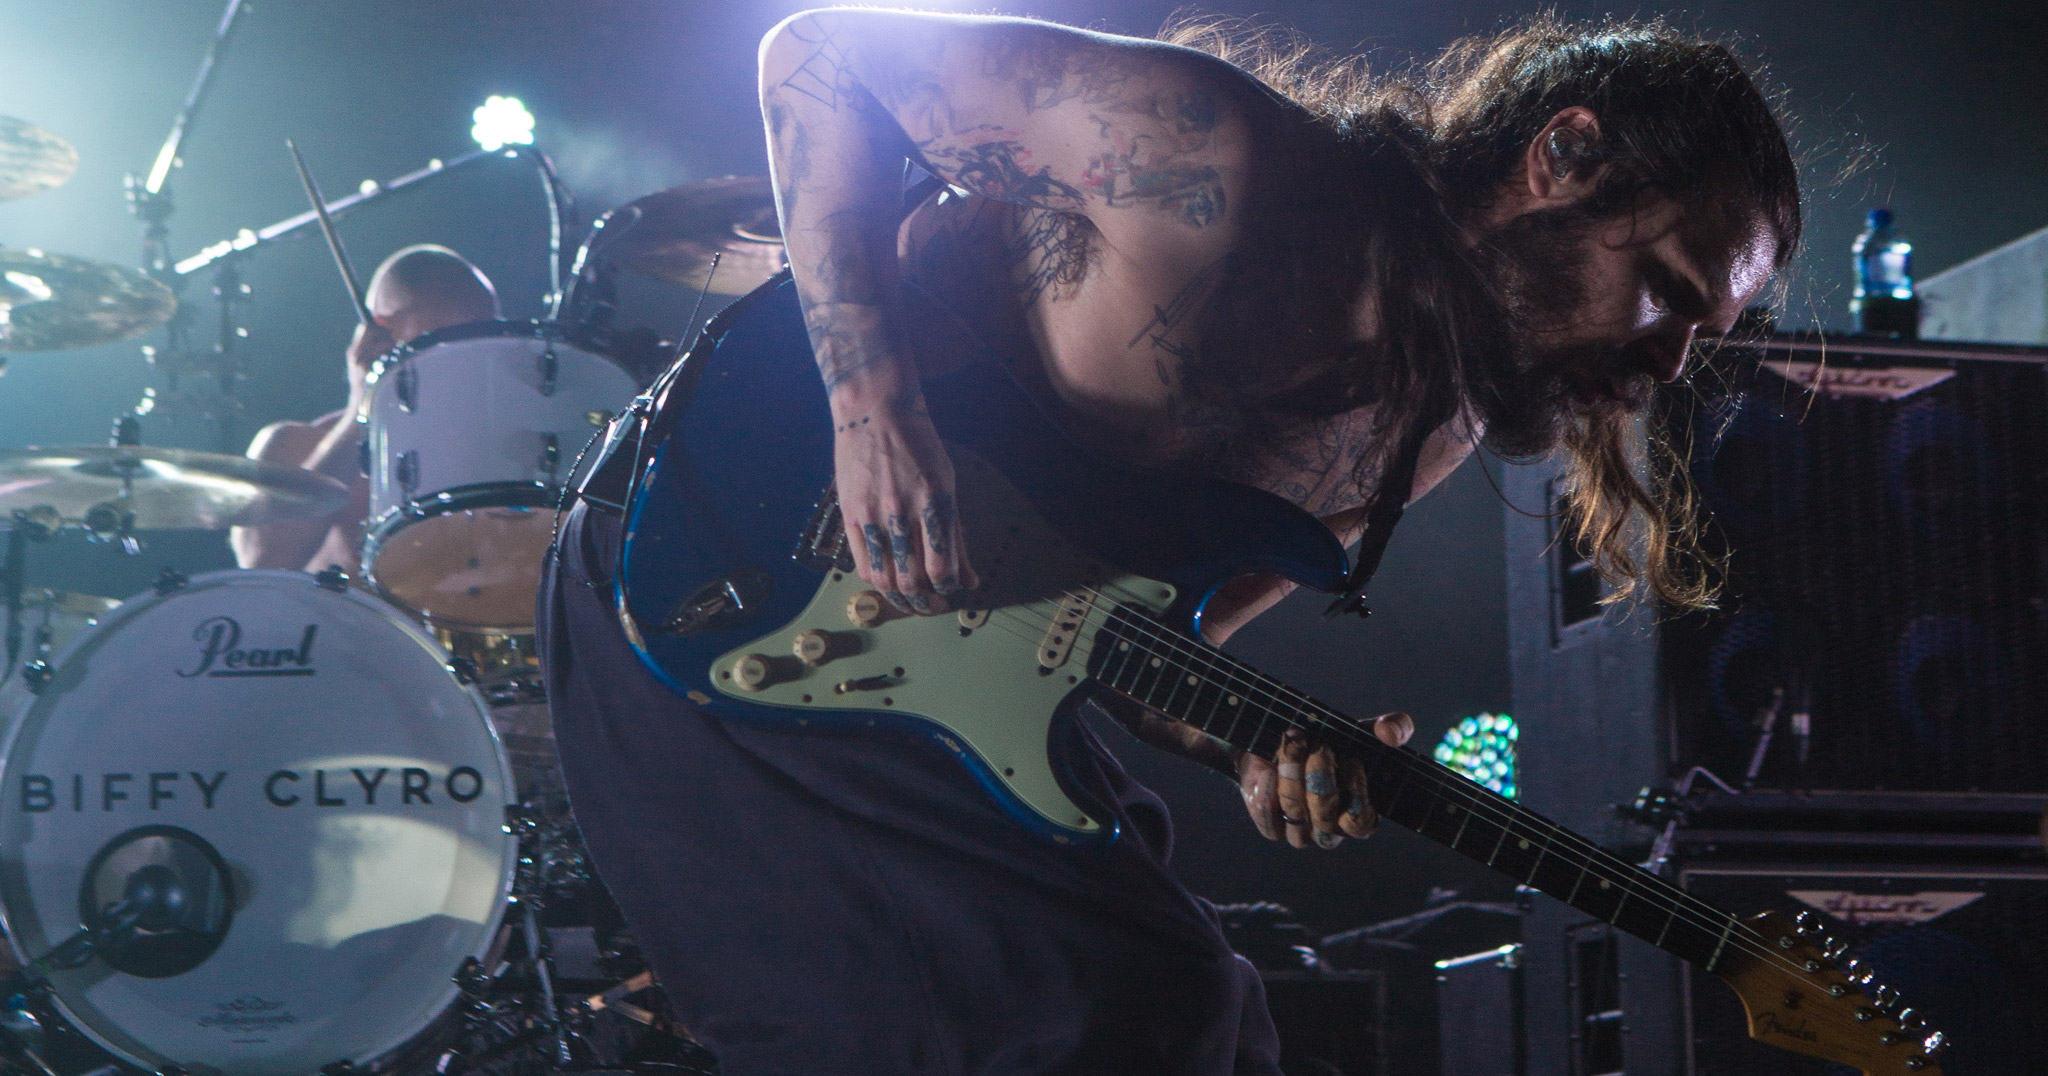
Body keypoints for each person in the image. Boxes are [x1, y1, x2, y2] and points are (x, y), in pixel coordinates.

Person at [540, 10, 1800, 1074]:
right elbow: (819, 52)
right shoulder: (1210, 153)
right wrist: (874, 414)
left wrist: (1263, 751)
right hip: (717, 559)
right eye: (1670, 290)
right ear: (1564, 155)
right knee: (1077, 1009)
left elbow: (1142, 651)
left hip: (938, 682)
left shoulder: (1427, 429)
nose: (1665, 362)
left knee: (1201, 1014)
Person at [231, 245, 500, 573]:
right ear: (380, 334)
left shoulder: (507, 458)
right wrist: (360, 413)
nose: (462, 359)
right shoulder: (291, 445)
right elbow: (263, 568)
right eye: (441, 339)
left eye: (481, 341)